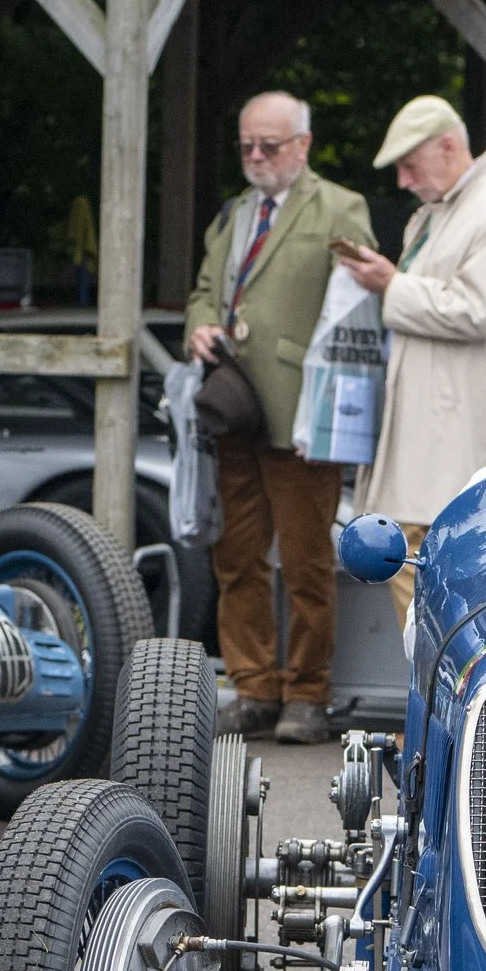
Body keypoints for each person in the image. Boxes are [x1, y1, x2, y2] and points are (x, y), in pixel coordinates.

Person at [183, 91, 373, 744]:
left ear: (304, 145)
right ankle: (254, 686)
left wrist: (342, 408)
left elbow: (358, 311)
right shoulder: (235, 213)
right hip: (234, 405)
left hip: (304, 413)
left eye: (269, 145)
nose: (257, 157)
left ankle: (308, 694)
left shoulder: (341, 207)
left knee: (306, 560)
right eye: (246, 147)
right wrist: (200, 323)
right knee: (235, 557)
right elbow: (205, 288)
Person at [343, 96, 486, 630]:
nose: (403, 180)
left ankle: (444, 701)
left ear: (449, 146)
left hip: (457, 435)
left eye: (410, 164)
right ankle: (430, 699)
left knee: (446, 573)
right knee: (410, 565)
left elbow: (476, 311)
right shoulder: (434, 214)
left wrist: (390, 284)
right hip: (427, 435)